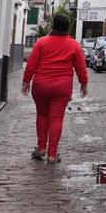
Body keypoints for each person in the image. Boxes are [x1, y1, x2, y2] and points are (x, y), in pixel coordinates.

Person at [21, 13, 88, 163]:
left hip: (41, 86)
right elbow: (80, 67)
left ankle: (41, 148)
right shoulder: (74, 45)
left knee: (42, 115)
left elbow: (31, 64)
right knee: (56, 119)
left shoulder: (41, 42)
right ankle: (52, 154)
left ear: (52, 26)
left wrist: (26, 82)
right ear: (67, 28)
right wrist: (84, 83)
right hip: (62, 87)